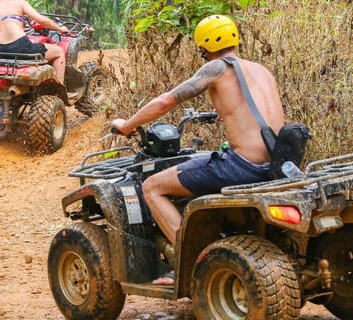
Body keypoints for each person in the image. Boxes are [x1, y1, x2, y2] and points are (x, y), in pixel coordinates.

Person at [111, 15, 284, 285]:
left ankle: (191, 262)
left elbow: (166, 101)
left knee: (153, 187)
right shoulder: (261, 70)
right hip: (277, 163)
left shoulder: (216, 68)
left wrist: (127, 124)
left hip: (242, 165)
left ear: (204, 45)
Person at [0, 0, 69, 85]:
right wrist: (60, 29)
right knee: (59, 51)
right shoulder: (19, 2)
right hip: (20, 47)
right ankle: (59, 89)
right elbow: (42, 20)